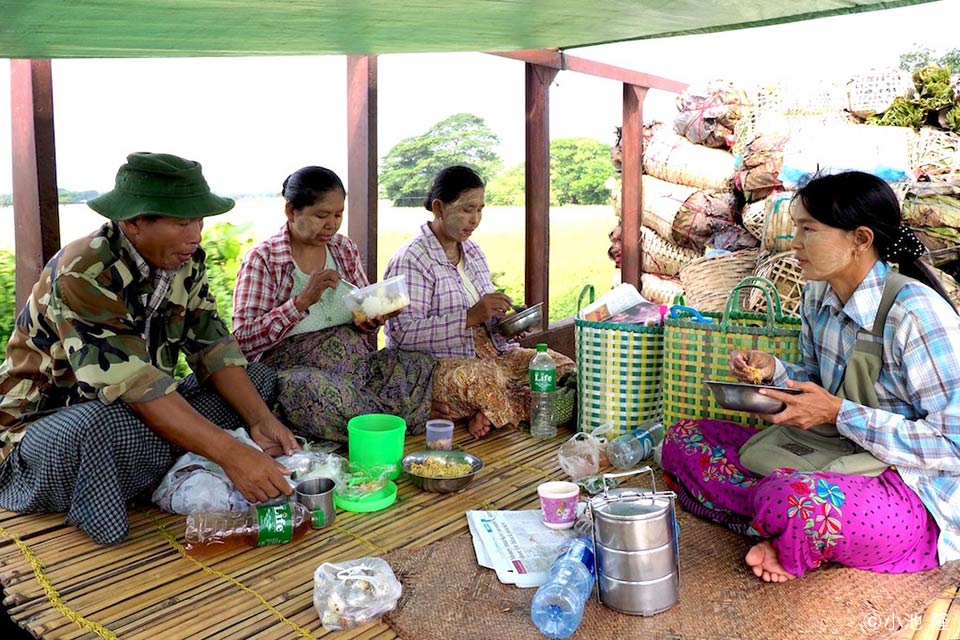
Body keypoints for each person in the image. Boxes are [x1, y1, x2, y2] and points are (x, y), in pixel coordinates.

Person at [660, 171, 960, 583]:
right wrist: (775, 373)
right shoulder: (818, 295)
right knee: (683, 439)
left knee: (793, 501)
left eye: (808, 230)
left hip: (907, 488)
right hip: (827, 453)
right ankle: (788, 529)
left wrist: (839, 414)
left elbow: (953, 444)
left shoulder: (917, 315)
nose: (795, 244)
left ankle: (786, 523)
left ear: (860, 239)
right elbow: (817, 383)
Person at [0, 152, 300, 544]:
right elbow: (135, 383)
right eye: (182, 222)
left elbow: (213, 347)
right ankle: (167, 460)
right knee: (96, 427)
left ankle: (162, 458)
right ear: (135, 222)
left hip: (141, 411)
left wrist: (259, 419)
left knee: (257, 380)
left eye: (199, 220)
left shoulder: (185, 263)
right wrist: (230, 453)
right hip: (52, 430)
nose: (196, 234)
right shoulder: (84, 269)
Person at [232, 166, 439, 441]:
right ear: (291, 211)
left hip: (357, 368)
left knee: (419, 366)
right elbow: (242, 341)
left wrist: (372, 319)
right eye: (321, 215)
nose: (331, 224)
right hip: (300, 374)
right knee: (310, 392)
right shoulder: (264, 260)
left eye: (338, 215)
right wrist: (301, 302)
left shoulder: (343, 249)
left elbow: (361, 312)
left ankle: (373, 422)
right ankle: (391, 421)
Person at [383, 165, 574, 438]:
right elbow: (402, 335)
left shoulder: (473, 251)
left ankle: (490, 411)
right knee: (486, 381)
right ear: (439, 207)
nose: (474, 219)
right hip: (434, 366)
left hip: (493, 354)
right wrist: (469, 317)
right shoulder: (412, 259)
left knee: (559, 367)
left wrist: (504, 322)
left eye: (480, 209)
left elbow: (487, 317)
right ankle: (497, 409)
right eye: (466, 209)